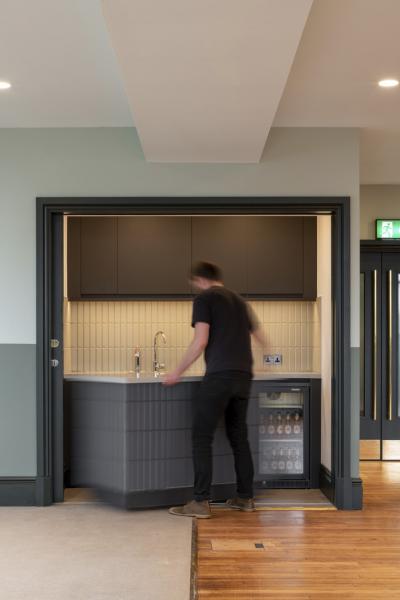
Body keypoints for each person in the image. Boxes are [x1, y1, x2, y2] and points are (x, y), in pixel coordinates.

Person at [163, 261, 265, 518]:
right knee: (239, 439)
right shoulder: (240, 302)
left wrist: (177, 371)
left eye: (195, 283)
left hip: (219, 376)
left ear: (200, 280)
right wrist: (267, 363)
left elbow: (201, 341)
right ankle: (245, 498)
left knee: (201, 437)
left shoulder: (204, 299)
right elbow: (262, 337)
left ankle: (200, 502)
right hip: (244, 376)